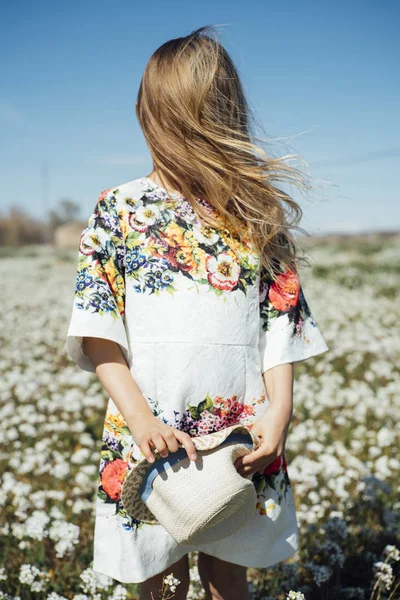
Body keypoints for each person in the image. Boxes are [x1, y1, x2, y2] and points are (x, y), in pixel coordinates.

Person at [66, 25, 329, 600]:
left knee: (227, 571)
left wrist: (280, 410)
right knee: (159, 577)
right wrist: (140, 419)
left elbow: (280, 323)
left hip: (241, 425)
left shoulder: (254, 211)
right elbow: (97, 333)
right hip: (149, 426)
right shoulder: (119, 208)